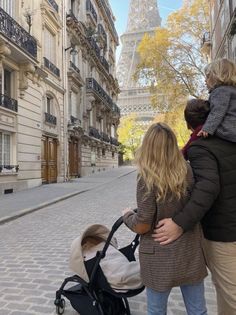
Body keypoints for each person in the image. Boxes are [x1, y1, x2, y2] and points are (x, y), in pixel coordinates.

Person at [154, 100, 236, 315]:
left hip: (224, 233)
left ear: (189, 124)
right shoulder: (230, 138)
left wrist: (180, 223)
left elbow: (208, 187)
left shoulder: (200, 147)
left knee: (230, 294)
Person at [122, 123, 208, 315]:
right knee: (198, 310)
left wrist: (127, 215)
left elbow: (143, 225)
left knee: (156, 311)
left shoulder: (146, 178)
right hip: (189, 252)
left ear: (148, 146)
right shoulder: (187, 171)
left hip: (158, 256)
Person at [197, 58, 236, 140]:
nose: (205, 80)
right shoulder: (232, 90)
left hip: (229, 131)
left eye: (207, 76)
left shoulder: (220, 91)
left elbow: (217, 111)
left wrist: (207, 128)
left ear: (216, 76)